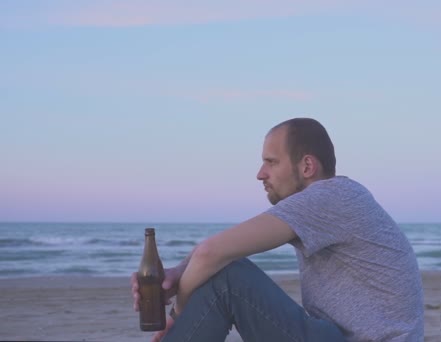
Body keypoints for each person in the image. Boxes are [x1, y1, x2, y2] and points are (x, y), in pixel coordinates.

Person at [131, 118, 424, 341]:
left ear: (307, 166)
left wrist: (177, 316)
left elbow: (212, 253)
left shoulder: (331, 197)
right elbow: (222, 248)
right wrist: (179, 273)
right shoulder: (332, 201)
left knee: (228, 276)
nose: (260, 174)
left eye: (271, 162)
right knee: (227, 267)